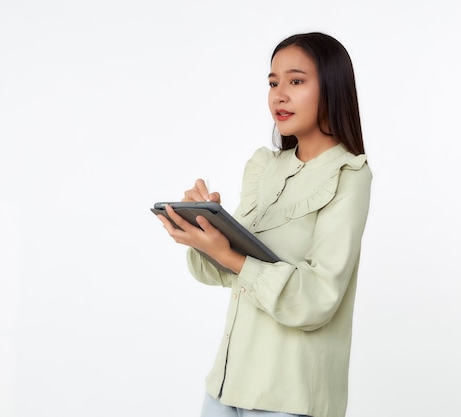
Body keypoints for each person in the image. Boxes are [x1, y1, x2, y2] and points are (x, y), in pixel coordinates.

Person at [155, 32, 371, 417]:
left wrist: (233, 258)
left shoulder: (349, 174)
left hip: (288, 399)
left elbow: (319, 297)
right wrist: (205, 235)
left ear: (332, 88)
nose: (279, 94)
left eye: (296, 81)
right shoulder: (263, 168)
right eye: (273, 82)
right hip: (224, 389)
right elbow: (226, 274)